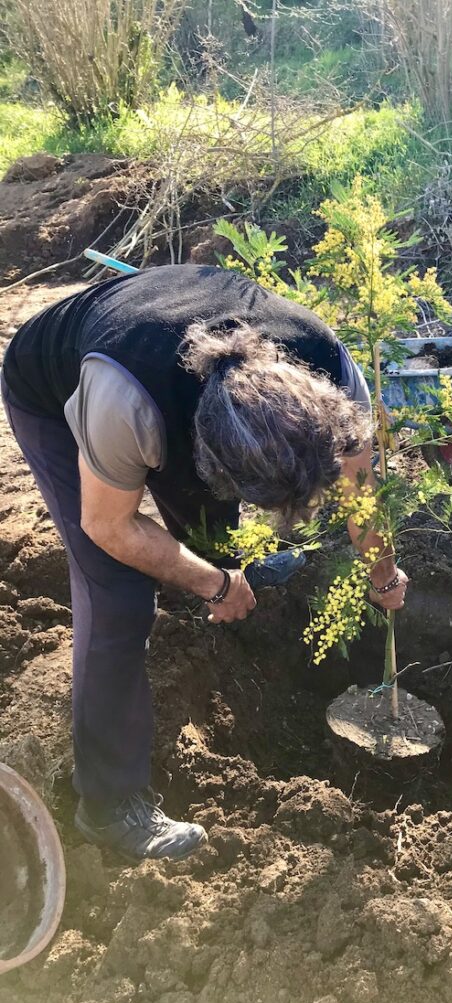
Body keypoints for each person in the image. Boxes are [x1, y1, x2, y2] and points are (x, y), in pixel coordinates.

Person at [1, 264, 408, 863]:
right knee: (116, 594)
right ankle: (108, 806)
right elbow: (108, 525)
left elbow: (362, 495)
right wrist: (213, 583)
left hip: (175, 361)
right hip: (55, 383)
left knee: (210, 531)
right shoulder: (127, 404)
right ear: (205, 457)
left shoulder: (332, 380)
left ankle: (222, 572)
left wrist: (383, 573)